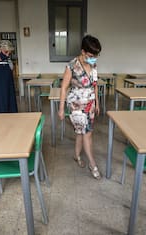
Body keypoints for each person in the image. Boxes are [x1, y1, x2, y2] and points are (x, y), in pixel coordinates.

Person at [58, 35, 102, 180]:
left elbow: (94, 85)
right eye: (91, 55)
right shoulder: (72, 66)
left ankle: (77, 156)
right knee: (87, 134)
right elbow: (64, 88)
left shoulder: (94, 64)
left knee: (80, 133)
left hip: (90, 105)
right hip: (76, 106)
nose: (94, 58)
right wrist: (61, 108)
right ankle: (93, 165)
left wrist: (97, 102)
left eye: (96, 56)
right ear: (83, 51)